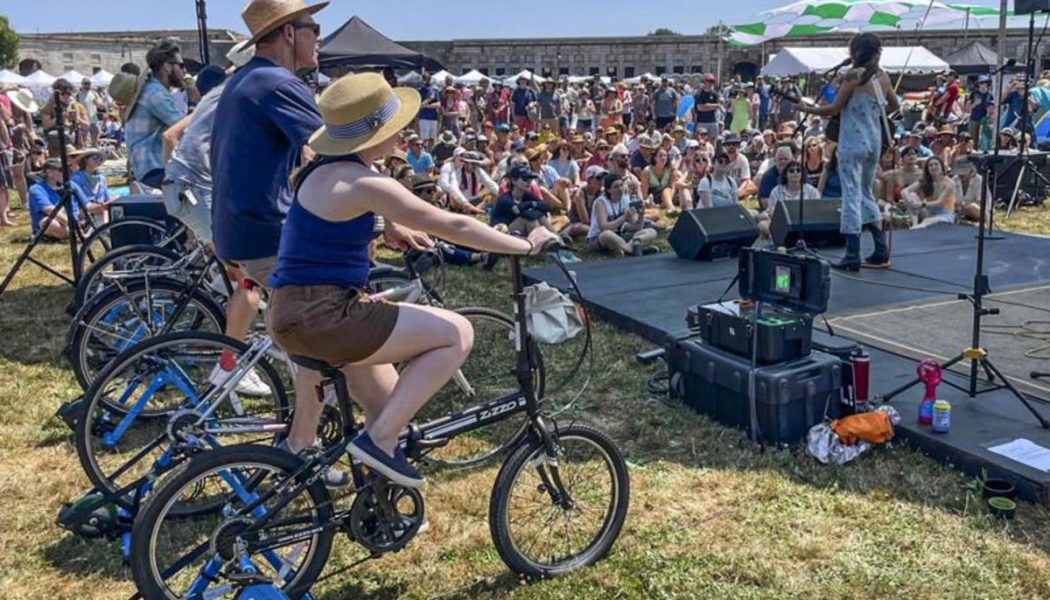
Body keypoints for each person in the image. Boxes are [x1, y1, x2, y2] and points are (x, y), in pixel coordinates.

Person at [265, 73, 558, 487]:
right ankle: (377, 443)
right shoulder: (365, 182)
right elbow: (447, 222)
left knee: (390, 406)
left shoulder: (322, 172)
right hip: (326, 314)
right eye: (394, 126)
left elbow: (327, 228)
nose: (402, 133)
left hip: (292, 311)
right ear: (374, 134)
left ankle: (380, 501)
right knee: (457, 332)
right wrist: (525, 245)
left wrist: (384, 227)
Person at [800, 32, 898, 271]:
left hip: (852, 142)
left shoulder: (853, 75)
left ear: (856, 52)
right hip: (874, 142)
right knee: (866, 192)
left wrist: (806, 109)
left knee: (851, 195)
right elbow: (895, 105)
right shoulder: (883, 77)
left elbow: (834, 108)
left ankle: (852, 254)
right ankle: (879, 249)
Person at [125, 41, 187, 188]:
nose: (184, 71)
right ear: (166, 67)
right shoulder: (155, 93)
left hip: (146, 168)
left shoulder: (149, 89)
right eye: (181, 65)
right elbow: (184, 128)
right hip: (154, 168)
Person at [587, 172, 656, 256]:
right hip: (598, 238)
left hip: (620, 235)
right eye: (616, 187)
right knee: (606, 235)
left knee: (651, 232)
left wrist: (641, 214)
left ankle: (630, 247)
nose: (620, 189)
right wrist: (623, 218)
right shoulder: (600, 202)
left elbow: (637, 227)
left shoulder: (625, 199)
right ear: (608, 190)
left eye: (621, 185)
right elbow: (603, 227)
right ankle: (633, 249)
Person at [27, 158, 90, 240]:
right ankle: (78, 234)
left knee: (99, 212)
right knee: (48, 222)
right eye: (61, 170)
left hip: (76, 220)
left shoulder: (71, 185)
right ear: (49, 173)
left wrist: (104, 207)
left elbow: (87, 205)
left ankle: (82, 233)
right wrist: (74, 225)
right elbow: (51, 211)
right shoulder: (36, 189)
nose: (66, 172)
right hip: (58, 222)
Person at [902, 156, 956, 229]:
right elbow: (904, 191)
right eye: (930, 165)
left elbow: (939, 202)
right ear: (928, 169)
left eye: (936, 164)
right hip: (929, 212)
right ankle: (914, 224)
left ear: (941, 167)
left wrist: (920, 204)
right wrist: (911, 202)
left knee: (927, 221)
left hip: (945, 214)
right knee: (912, 195)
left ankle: (919, 227)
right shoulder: (925, 181)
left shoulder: (949, 183)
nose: (933, 167)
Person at [437, 148, 496, 214]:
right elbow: (454, 189)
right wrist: (465, 202)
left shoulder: (478, 171)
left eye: (476, 163)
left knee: (494, 195)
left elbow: (490, 184)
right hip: (462, 202)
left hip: (474, 200)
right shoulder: (456, 173)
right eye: (473, 164)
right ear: (466, 163)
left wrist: (502, 194)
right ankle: (476, 211)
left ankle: (475, 210)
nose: (475, 166)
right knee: (453, 197)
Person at [952, 154, 983, 223]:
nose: (960, 174)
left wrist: (963, 206)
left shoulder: (979, 180)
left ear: (971, 170)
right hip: (959, 211)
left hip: (977, 211)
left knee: (972, 208)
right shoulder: (955, 179)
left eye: (963, 171)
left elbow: (979, 202)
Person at [966, 76, 994, 151]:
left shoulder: (990, 95)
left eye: (985, 83)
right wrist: (975, 104)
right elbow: (967, 108)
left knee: (984, 139)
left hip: (985, 121)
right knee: (972, 139)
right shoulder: (973, 94)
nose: (983, 84)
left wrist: (990, 112)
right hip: (974, 119)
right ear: (978, 84)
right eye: (981, 83)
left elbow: (992, 108)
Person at [77, 79, 105, 147]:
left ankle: (95, 154)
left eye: (89, 83)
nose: (87, 85)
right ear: (82, 84)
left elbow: (101, 106)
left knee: (95, 139)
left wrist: (97, 103)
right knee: (83, 140)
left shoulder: (94, 94)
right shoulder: (78, 95)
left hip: (93, 120)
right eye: (85, 83)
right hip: (83, 120)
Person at [416, 72, 440, 147]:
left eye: (427, 79)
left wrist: (427, 105)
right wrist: (429, 99)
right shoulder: (419, 91)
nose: (426, 80)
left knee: (432, 138)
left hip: (433, 117)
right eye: (424, 79)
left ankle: (431, 154)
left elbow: (438, 105)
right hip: (423, 117)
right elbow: (419, 105)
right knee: (424, 139)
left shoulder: (434, 90)